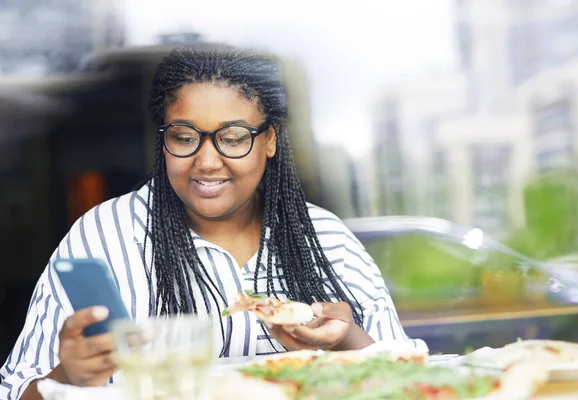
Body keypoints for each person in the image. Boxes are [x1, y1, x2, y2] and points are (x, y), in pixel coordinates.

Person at [0, 43, 424, 399]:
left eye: (233, 138)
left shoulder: (327, 240)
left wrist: (347, 340)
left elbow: (414, 386)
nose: (206, 161)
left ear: (270, 139)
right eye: (184, 137)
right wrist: (64, 379)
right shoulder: (102, 237)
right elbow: (14, 390)